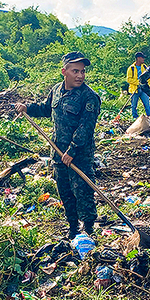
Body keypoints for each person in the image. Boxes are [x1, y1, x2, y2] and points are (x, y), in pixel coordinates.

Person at [16, 51, 101, 239]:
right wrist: (27, 108)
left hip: (79, 155)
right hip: (57, 152)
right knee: (65, 192)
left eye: (83, 72)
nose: (80, 76)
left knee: (83, 191)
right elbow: (46, 109)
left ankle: (88, 230)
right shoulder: (56, 90)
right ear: (65, 71)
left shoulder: (89, 97)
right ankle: (72, 228)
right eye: (75, 71)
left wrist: (72, 150)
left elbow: (86, 127)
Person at [126, 52, 150, 120]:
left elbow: (149, 77)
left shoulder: (145, 67)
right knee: (134, 105)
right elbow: (129, 79)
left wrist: (147, 85)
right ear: (138, 58)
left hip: (144, 89)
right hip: (135, 89)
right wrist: (138, 83)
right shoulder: (131, 68)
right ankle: (135, 118)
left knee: (147, 104)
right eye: (142, 58)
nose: (143, 59)